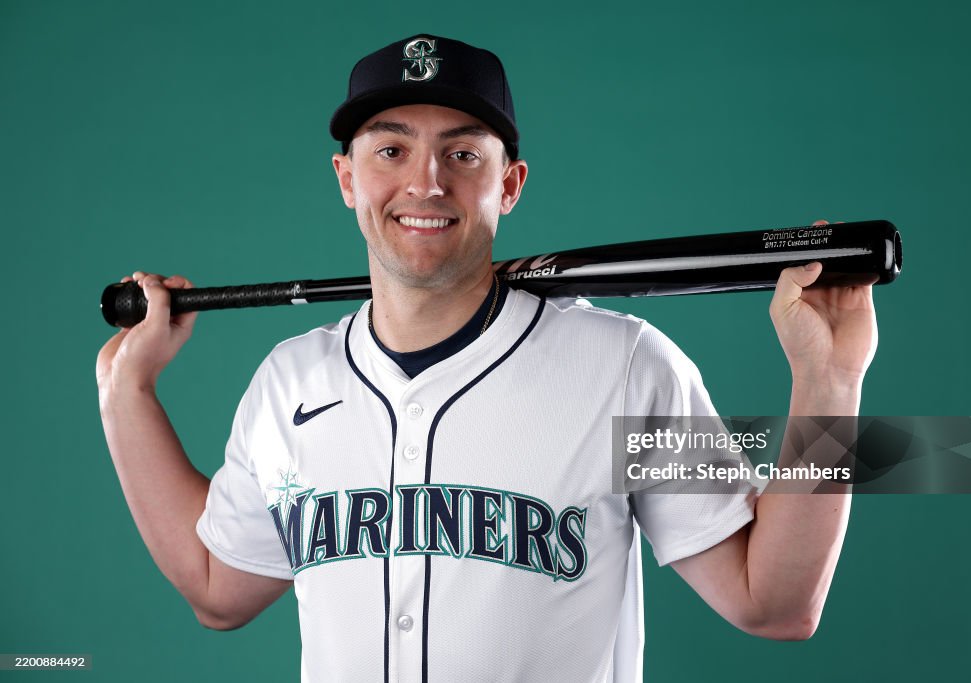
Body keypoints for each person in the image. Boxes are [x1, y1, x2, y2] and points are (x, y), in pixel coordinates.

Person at [96, 34, 877, 682]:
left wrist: (828, 381)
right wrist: (127, 391)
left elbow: (772, 603)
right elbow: (216, 588)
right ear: (346, 178)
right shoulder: (290, 382)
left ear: (510, 182)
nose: (424, 182)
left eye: (462, 155)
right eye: (391, 149)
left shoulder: (626, 369)